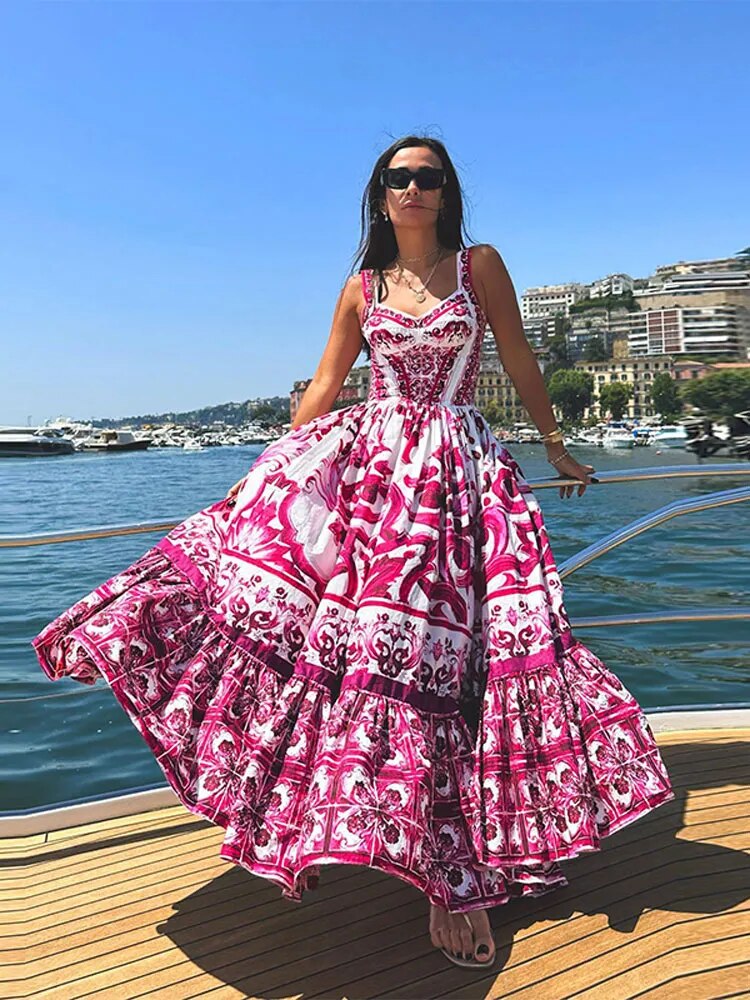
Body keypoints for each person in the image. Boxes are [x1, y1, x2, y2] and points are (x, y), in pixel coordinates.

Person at [32, 135, 675, 972]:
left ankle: (457, 876)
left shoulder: (480, 266)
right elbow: (326, 387)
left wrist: (554, 445)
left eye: (428, 177)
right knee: (369, 662)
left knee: (448, 667)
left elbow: (518, 355)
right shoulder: (361, 287)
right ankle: (358, 841)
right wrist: (266, 473)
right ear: (380, 195)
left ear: (445, 192)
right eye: (398, 177)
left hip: (456, 479)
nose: (413, 188)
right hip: (372, 487)